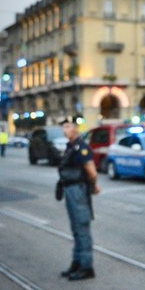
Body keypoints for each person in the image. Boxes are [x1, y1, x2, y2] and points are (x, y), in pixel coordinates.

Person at [57, 116, 99, 280]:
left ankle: (87, 267)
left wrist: (94, 186)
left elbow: (92, 172)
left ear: (75, 128)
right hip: (69, 189)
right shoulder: (70, 146)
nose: (64, 130)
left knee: (82, 228)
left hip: (78, 190)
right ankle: (77, 262)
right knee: (75, 228)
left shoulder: (81, 147)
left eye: (67, 126)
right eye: (63, 127)